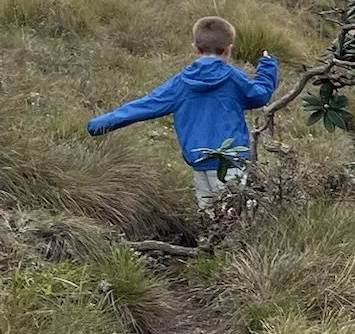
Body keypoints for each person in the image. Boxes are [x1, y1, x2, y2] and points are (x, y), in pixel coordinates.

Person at [86, 15, 278, 208]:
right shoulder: (233, 78)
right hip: (231, 162)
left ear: (195, 48)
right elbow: (259, 96)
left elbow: (146, 105)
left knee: (210, 215)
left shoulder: (181, 82)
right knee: (235, 214)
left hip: (199, 161)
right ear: (229, 49)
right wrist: (267, 67)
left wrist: (98, 125)